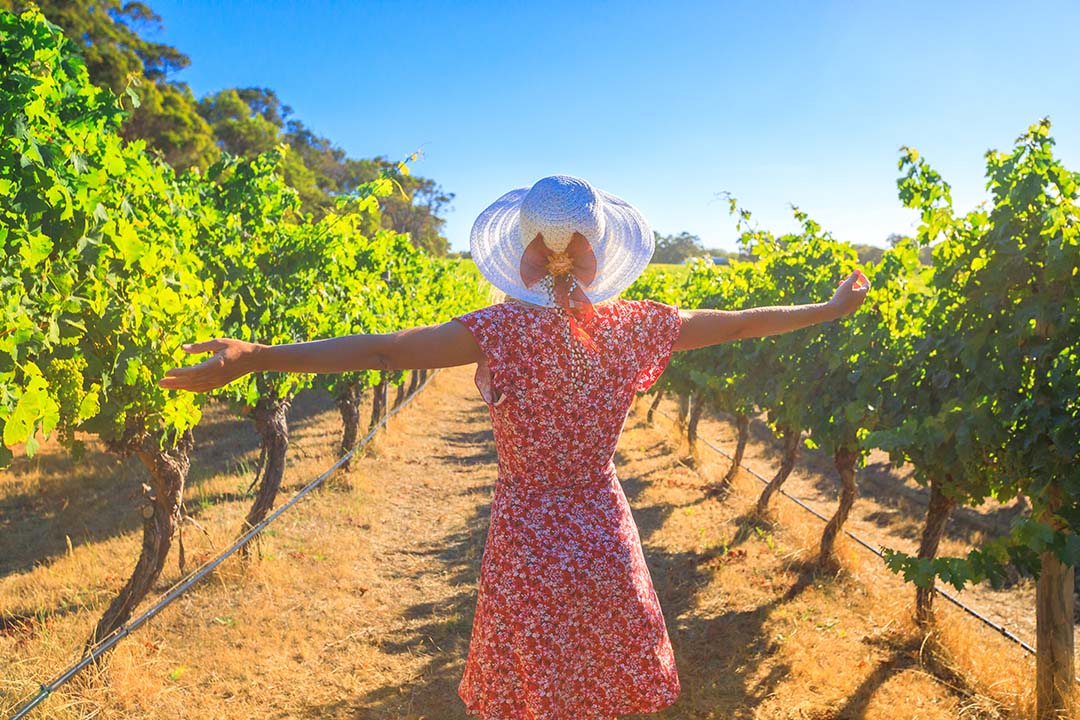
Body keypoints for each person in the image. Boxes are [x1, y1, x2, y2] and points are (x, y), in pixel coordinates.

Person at [159, 175, 869, 719]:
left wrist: (257, 355)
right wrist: (830, 309)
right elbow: (744, 325)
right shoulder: (637, 326)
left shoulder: (497, 332)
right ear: (599, 251)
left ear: (525, 249)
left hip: (527, 529)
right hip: (601, 522)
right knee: (600, 677)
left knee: (536, 682)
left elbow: (380, 348)